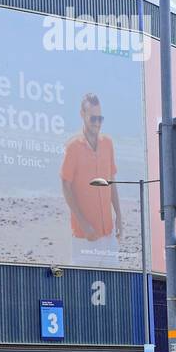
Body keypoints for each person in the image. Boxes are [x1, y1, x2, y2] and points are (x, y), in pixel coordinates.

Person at [60, 92, 122, 266]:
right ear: (82, 115)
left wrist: (118, 216)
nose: (96, 123)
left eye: (100, 119)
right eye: (93, 118)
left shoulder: (108, 144)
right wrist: (84, 223)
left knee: (115, 285)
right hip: (84, 239)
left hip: (108, 235)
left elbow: (111, 182)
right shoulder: (73, 147)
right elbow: (66, 185)